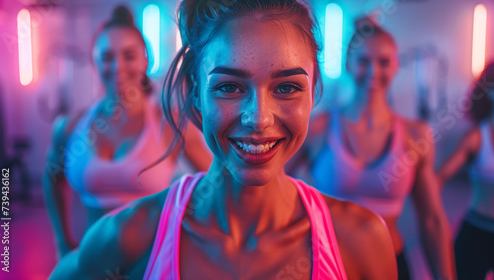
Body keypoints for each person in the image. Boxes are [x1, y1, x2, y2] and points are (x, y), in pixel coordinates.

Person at [49, 0, 398, 279]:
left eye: (287, 87)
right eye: (229, 87)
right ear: (196, 94)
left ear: (313, 93)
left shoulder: (362, 241)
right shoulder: (133, 235)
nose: (258, 118)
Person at [291, 17, 456, 280]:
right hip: (327, 266)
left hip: (390, 266)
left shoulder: (416, 135)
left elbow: (432, 220)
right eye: (363, 61)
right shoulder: (319, 127)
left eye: (383, 62)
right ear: (348, 64)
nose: (373, 71)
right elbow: (271, 188)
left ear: (396, 65)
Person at [43, 5, 211, 259]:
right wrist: (62, 242)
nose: (118, 67)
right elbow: (52, 178)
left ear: (145, 60)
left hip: (154, 261)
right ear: (94, 61)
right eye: (107, 56)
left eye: (129, 55)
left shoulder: (170, 122)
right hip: (90, 263)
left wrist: (199, 235)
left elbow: (216, 177)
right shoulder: (69, 126)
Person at [437, 62, 494, 280]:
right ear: (490, 92)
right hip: (477, 231)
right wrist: (435, 217)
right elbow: (438, 178)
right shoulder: (476, 138)